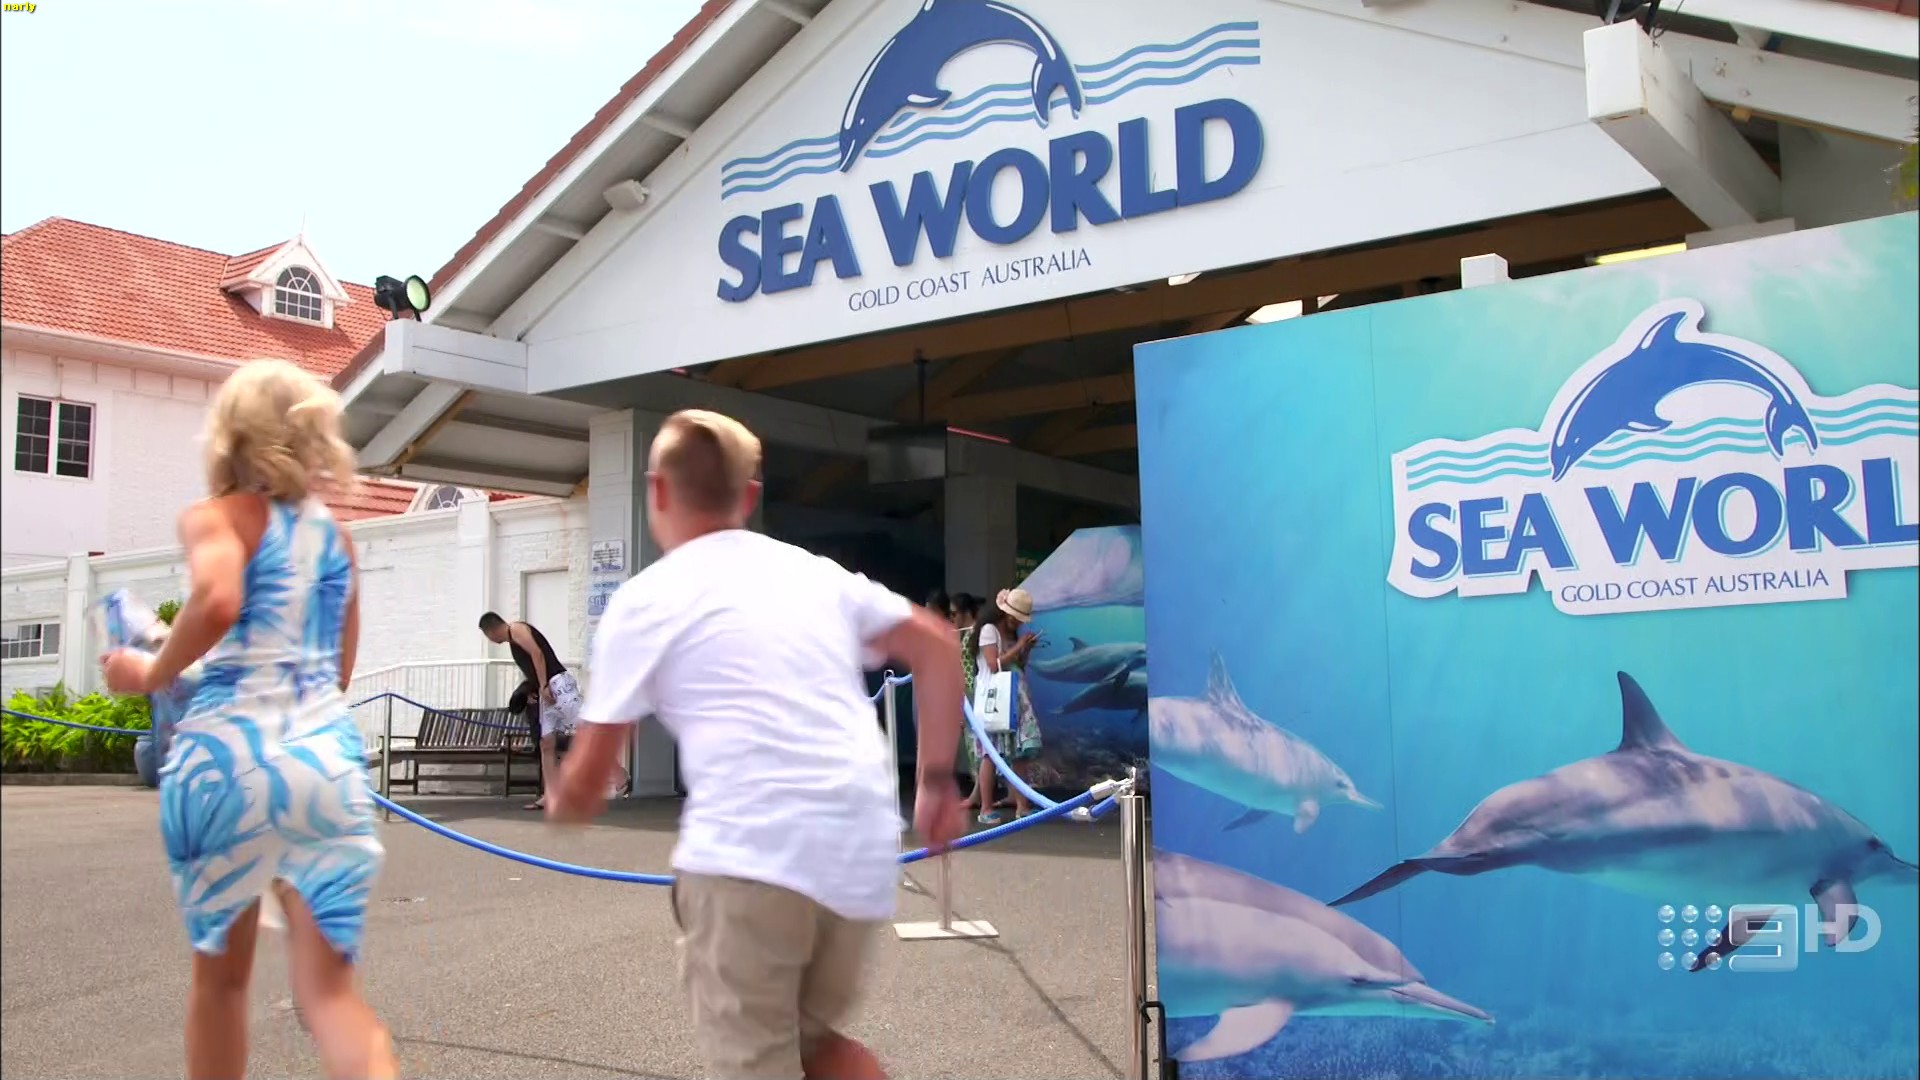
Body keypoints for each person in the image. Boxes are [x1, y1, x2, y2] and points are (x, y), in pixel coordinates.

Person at [545, 408, 966, 1080]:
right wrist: (936, 783)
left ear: (657, 491)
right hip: (858, 853)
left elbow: (592, 775)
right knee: (811, 1045)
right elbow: (938, 645)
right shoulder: (815, 575)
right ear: (748, 497)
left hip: (751, 857)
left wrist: (561, 798)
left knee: (762, 1056)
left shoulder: (646, 600)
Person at [100, 358, 395, 1080]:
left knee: (222, 985)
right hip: (324, 764)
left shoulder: (217, 517)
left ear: (228, 437)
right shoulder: (338, 540)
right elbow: (338, 672)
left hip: (225, 765)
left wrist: (149, 672)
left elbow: (219, 599)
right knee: (331, 995)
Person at [478, 611, 582, 810]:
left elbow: (537, 654)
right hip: (545, 689)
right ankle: (550, 795)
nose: (489, 640)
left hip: (557, 684)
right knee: (546, 743)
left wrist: (543, 685)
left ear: (490, 631)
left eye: (486, 635)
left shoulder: (516, 629)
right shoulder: (513, 642)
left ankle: (619, 774)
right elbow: (533, 666)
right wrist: (533, 689)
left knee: (584, 728)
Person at [971, 587, 1046, 825]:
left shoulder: (1011, 634)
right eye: (1015, 617)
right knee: (990, 754)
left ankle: (1022, 806)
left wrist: (1026, 649)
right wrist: (1018, 645)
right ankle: (985, 808)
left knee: (1020, 753)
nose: (1017, 622)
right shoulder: (989, 630)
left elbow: (1018, 665)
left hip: (1015, 698)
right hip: (995, 701)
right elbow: (993, 664)